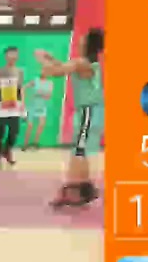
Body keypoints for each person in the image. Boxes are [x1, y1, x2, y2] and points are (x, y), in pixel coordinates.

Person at [35, 28, 105, 207]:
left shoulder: (81, 63)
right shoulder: (86, 63)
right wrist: (51, 58)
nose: (79, 41)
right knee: (81, 149)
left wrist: (42, 60)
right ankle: (85, 187)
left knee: (78, 151)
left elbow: (56, 72)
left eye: (83, 39)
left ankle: (70, 190)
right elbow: (66, 66)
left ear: (87, 44)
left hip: (88, 111)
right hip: (91, 110)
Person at [21, 72, 54, 151]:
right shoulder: (35, 81)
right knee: (30, 126)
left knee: (41, 125)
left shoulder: (50, 83)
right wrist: (23, 100)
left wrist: (42, 95)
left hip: (42, 107)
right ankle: (25, 144)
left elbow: (49, 96)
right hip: (32, 106)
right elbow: (23, 88)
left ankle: (35, 143)